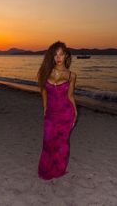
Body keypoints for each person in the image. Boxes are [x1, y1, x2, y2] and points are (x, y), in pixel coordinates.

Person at [37, 40, 77, 180]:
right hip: (51, 113)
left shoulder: (71, 76)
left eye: (61, 54)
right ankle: (46, 169)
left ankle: (59, 169)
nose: (58, 58)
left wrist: (75, 114)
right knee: (48, 141)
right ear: (52, 56)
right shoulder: (46, 72)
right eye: (55, 55)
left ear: (66, 56)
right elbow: (43, 91)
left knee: (62, 143)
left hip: (66, 114)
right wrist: (45, 108)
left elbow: (70, 96)